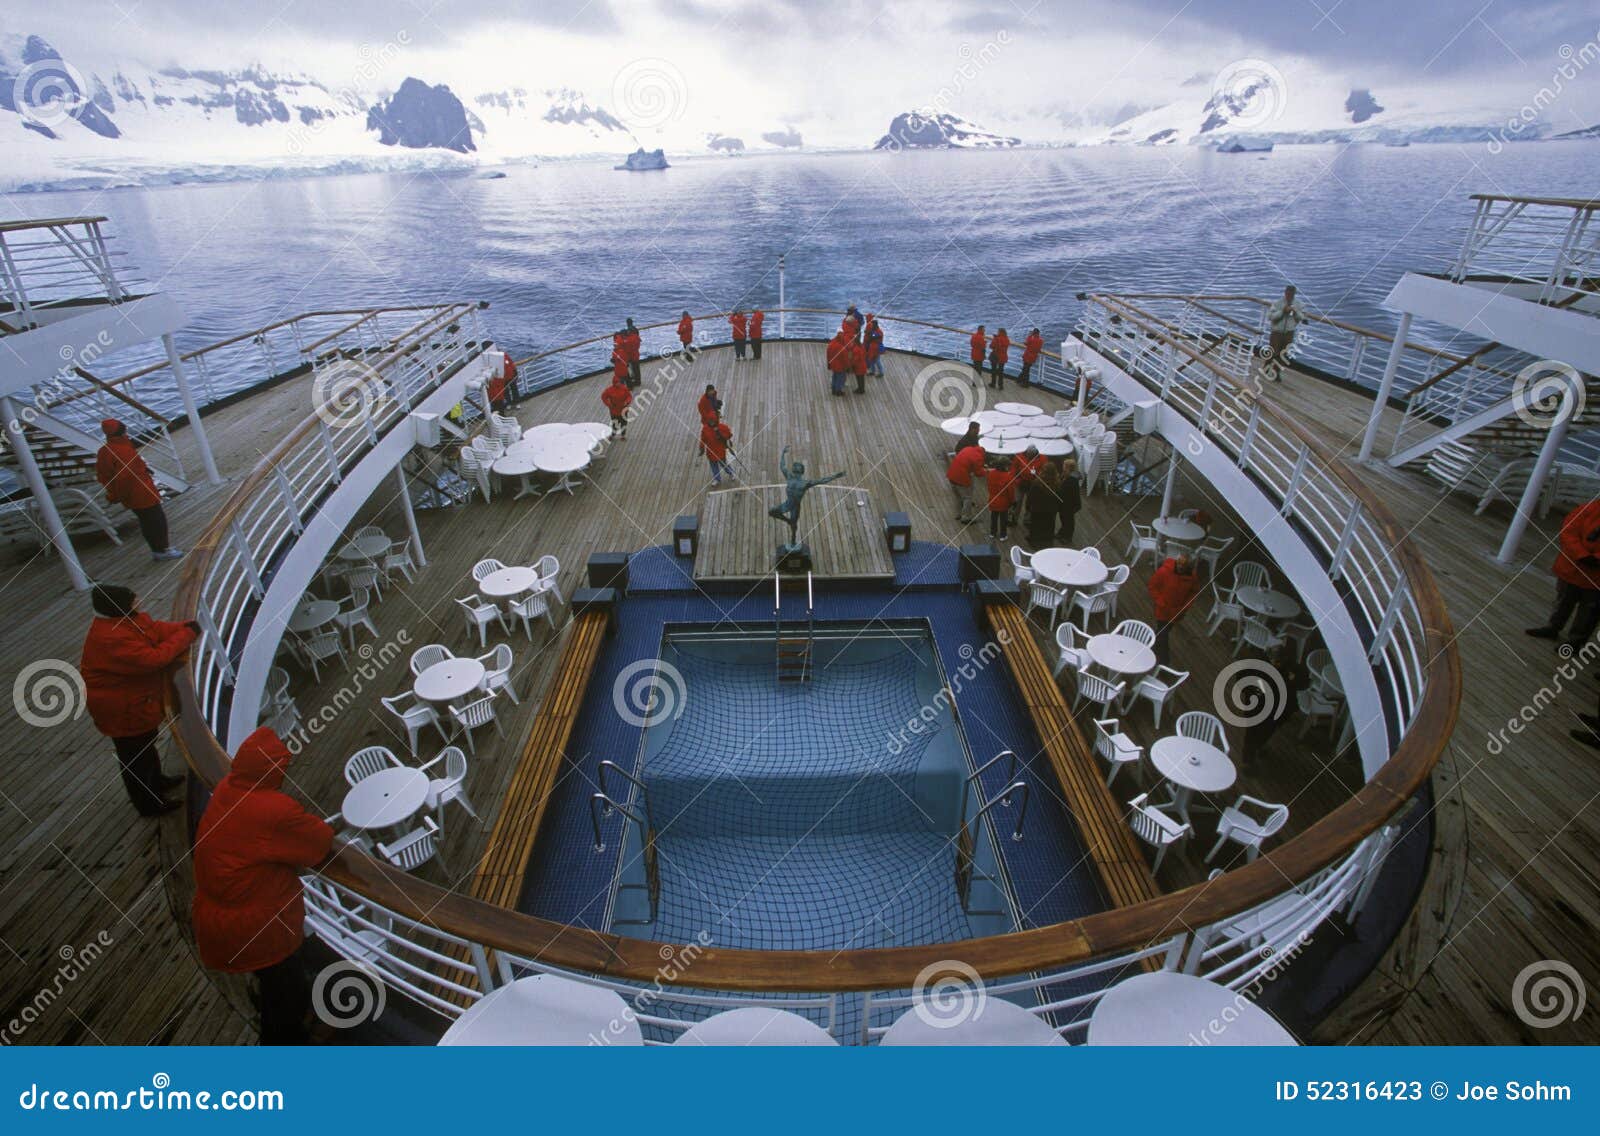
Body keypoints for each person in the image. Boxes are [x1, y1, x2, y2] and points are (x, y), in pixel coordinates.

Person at [192, 726, 336, 1044]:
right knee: (283, 995)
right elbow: (318, 842)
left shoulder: (228, 789)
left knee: (276, 984)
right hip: (257, 930)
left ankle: (291, 1030)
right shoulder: (271, 811)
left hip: (222, 919)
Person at [79, 584, 198, 817]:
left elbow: (153, 630)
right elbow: (154, 659)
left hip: (130, 702)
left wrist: (182, 628)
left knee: (144, 745)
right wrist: (188, 634)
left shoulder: (122, 622)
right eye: (134, 600)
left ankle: (157, 781)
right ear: (121, 607)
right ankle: (148, 804)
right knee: (134, 758)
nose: (139, 601)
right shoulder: (113, 639)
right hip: (121, 709)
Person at [96, 420, 182, 561]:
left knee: (146, 521)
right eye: (125, 430)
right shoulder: (122, 449)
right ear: (122, 432)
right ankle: (161, 550)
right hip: (140, 493)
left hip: (133, 494)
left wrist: (116, 495)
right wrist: (118, 495)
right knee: (156, 521)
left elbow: (104, 474)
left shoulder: (105, 450)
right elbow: (126, 477)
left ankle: (159, 549)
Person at [1527, 498, 1600, 650]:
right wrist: (1582, 555)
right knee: (1562, 601)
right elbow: (1568, 531)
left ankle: (1575, 642)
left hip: (1595, 578)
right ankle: (1553, 628)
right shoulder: (1587, 509)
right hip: (1572, 569)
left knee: (1588, 613)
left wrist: (1595, 558)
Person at [1148, 553, 1200, 665]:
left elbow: (1194, 592)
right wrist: (1160, 601)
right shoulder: (1164, 572)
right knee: (1163, 634)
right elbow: (1152, 586)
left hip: (1177, 612)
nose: (1180, 567)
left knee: (1162, 632)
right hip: (1163, 609)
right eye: (1179, 563)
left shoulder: (1192, 577)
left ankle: (1150, 643)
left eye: (1184, 565)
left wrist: (1185, 607)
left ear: (1189, 567)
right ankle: (1163, 663)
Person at [1263, 285, 1304, 382]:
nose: (1289, 295)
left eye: (1291, 294)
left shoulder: (1299, 304)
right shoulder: (1277, 303)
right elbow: (1270, 316)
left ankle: (1276, 372)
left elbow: (1302, 317)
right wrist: (1282, 311)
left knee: (1283, 354)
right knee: (1273, 352)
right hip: (1277, 332)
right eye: (1288, 293)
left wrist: (1295, 312)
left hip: (1289, 332)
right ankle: (1267, 367)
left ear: (1294, 294)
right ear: (1285, 292)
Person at [946, 440, 987, 524]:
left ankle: (958, 514)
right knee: (967, 497)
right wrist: (987, 471)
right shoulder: (978, 457)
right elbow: (978, 473)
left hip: (952, 476)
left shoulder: (967, 448)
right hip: (961, 479)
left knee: (958, 496)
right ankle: (966, 518)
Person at [1025, 462, 1062, 548]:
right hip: (1050, 510)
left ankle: (1034, 542)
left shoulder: (1037, 483)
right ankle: (1047, 542)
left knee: (1036, 526)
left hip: (1037, 509)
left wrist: (1028, 507)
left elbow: (1030, 497)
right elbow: (1059, 497)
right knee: (1049, 526)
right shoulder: (1057, 483)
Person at [984, 456, 1018, 541]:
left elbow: (989, 486)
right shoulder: (1008, 477)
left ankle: (993, 533)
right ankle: (1003, 535)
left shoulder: (991, 474)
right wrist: (1013, 501)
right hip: (1003, 502)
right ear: (1005, 466)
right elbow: (1011, 492)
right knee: (1003, 519)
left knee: (994, 518)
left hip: (993, 499)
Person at [699, 412, 735, 485]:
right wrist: (701, 448)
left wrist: (720, 434)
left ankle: (731, 473)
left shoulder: (722, 427)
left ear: (715, 420)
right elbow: (703, 439)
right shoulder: (705, 429)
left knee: (724, 464)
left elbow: (728, 436)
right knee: (714, 467)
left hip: (720, 451)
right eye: (710, 420)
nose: (711, 422)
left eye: (713, 420)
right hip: (711, 452)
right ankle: (717, 479)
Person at [1056, 456, 1083, 544]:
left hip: (1069, 505)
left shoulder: (1072, 480)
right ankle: (1062, 533)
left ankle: (1067, 537)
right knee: (1064, 519)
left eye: (1064, 465)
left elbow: (1066, 492)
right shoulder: (1066, 475)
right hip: (1065, 503)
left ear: (1067, 467)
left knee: (1068, 521)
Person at [601, 373, 632, 438]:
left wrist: (627, 402)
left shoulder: (624, 388)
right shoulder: (609, 390)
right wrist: (608, 404)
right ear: (614, 383)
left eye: (618, 382)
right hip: (614, 410)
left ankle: (623, 435)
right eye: (616, 382)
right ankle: (613, 434)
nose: (618, 383)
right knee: (615, 423)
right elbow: (603, 397)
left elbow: (629, 396)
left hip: (623, 409)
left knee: (623, 423)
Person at [826, 331, 852, 396]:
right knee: (840, 378)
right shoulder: (842, 348)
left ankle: (833, 389)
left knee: (834, 376)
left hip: (833, 364)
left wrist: (829, 363)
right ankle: (838, 391)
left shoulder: (831, 345)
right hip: (840, 366)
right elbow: (845, 359)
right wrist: (848, 366)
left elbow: (828, 355)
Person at [623, 318, 642, 386]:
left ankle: (636, 380)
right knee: (636, 368)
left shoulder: (629, 336)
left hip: (631, 354)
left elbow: (627, 347)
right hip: (636, 353)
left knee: (633, 367)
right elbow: (638, 341)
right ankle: (638, 380)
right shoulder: (635, 330)